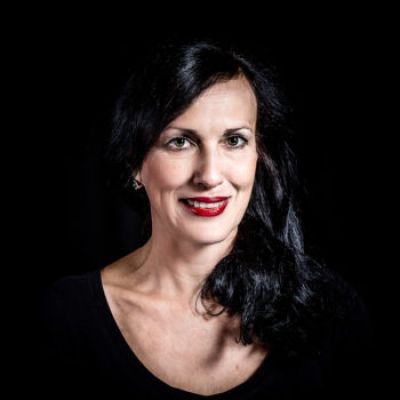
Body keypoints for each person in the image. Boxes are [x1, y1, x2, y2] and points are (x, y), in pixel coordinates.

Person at [38, 40, 373, 398]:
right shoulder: (68, 317)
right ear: (135, 163)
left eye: (234, 140)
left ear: (258, 156)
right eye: (180, 142)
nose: (210, 175)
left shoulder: (329, 310)